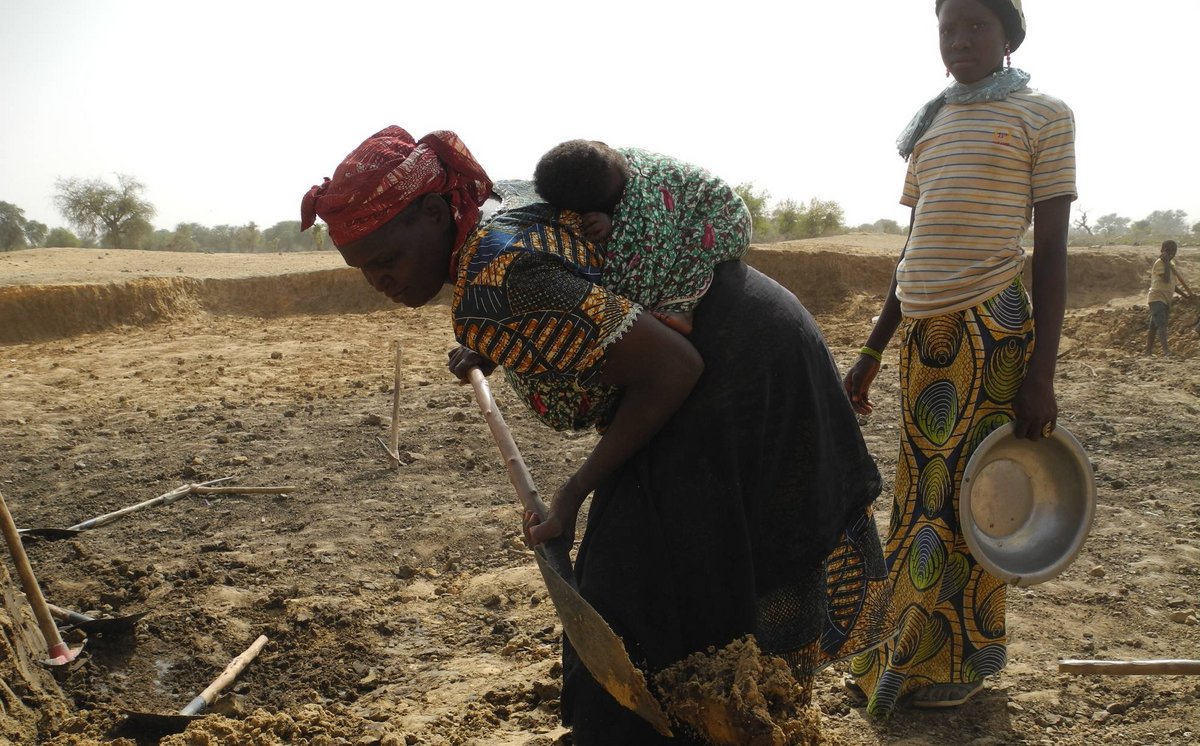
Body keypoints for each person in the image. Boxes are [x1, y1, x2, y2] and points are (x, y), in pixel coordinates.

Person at [301, 126, 892, 743]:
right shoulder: (490, 209)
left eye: (386, 260)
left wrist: (574, 491)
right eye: (364, 269)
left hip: (733, 373)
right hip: (752, 335)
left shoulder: (494, 279)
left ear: (431, 208)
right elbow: (575, 291)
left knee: (639, 593)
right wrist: (503, 342)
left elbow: (672, 368)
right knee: (660, 583)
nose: (380, 281)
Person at [841, 0, 1076, 715]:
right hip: (925, 335)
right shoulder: (931, 124)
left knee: (969, 499)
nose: (961, 38)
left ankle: (954, 661)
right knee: (919, 494)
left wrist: (1042, 373)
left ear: (1009, 36)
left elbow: (1053, 253)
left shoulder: (1046, 115)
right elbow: (912, 250)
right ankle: (894, 654)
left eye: (977, 24)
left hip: (993, 329)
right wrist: (874, 349)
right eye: (949, 27)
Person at [532, 139, 751, 336]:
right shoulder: (612, 164)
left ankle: (681, 309)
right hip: (688, 211)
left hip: (726, 218)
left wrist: (615, 226)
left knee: (694, 251)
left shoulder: (645, 212)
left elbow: (643, 276)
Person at [1146, 239, 1192, 356]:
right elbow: (1165, 279)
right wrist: (1166, 263)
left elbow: (1172, 285)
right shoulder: (1159, 263)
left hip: (1166, 299)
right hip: (1157, 298)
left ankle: (1148, 352)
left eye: (1173, 250)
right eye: (1167, 250)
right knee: (1162, 324)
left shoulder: (1171, 265)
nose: (1171, 253)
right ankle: (1166, 351)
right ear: (1162, 250)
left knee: (1154, 327)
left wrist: (1186, 296)